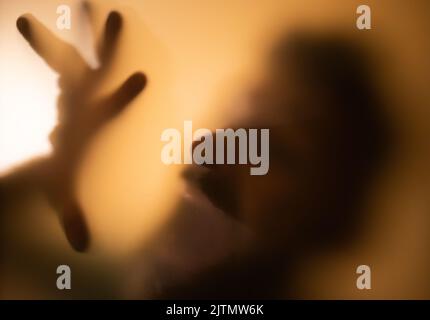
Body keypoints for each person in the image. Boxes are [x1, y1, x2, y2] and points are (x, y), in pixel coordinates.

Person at [1, 3, 390, 298]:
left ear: (330, 217)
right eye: (237, 116)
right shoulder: (114, 283)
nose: (215, 150)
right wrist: (46, 175)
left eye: (276, 148)